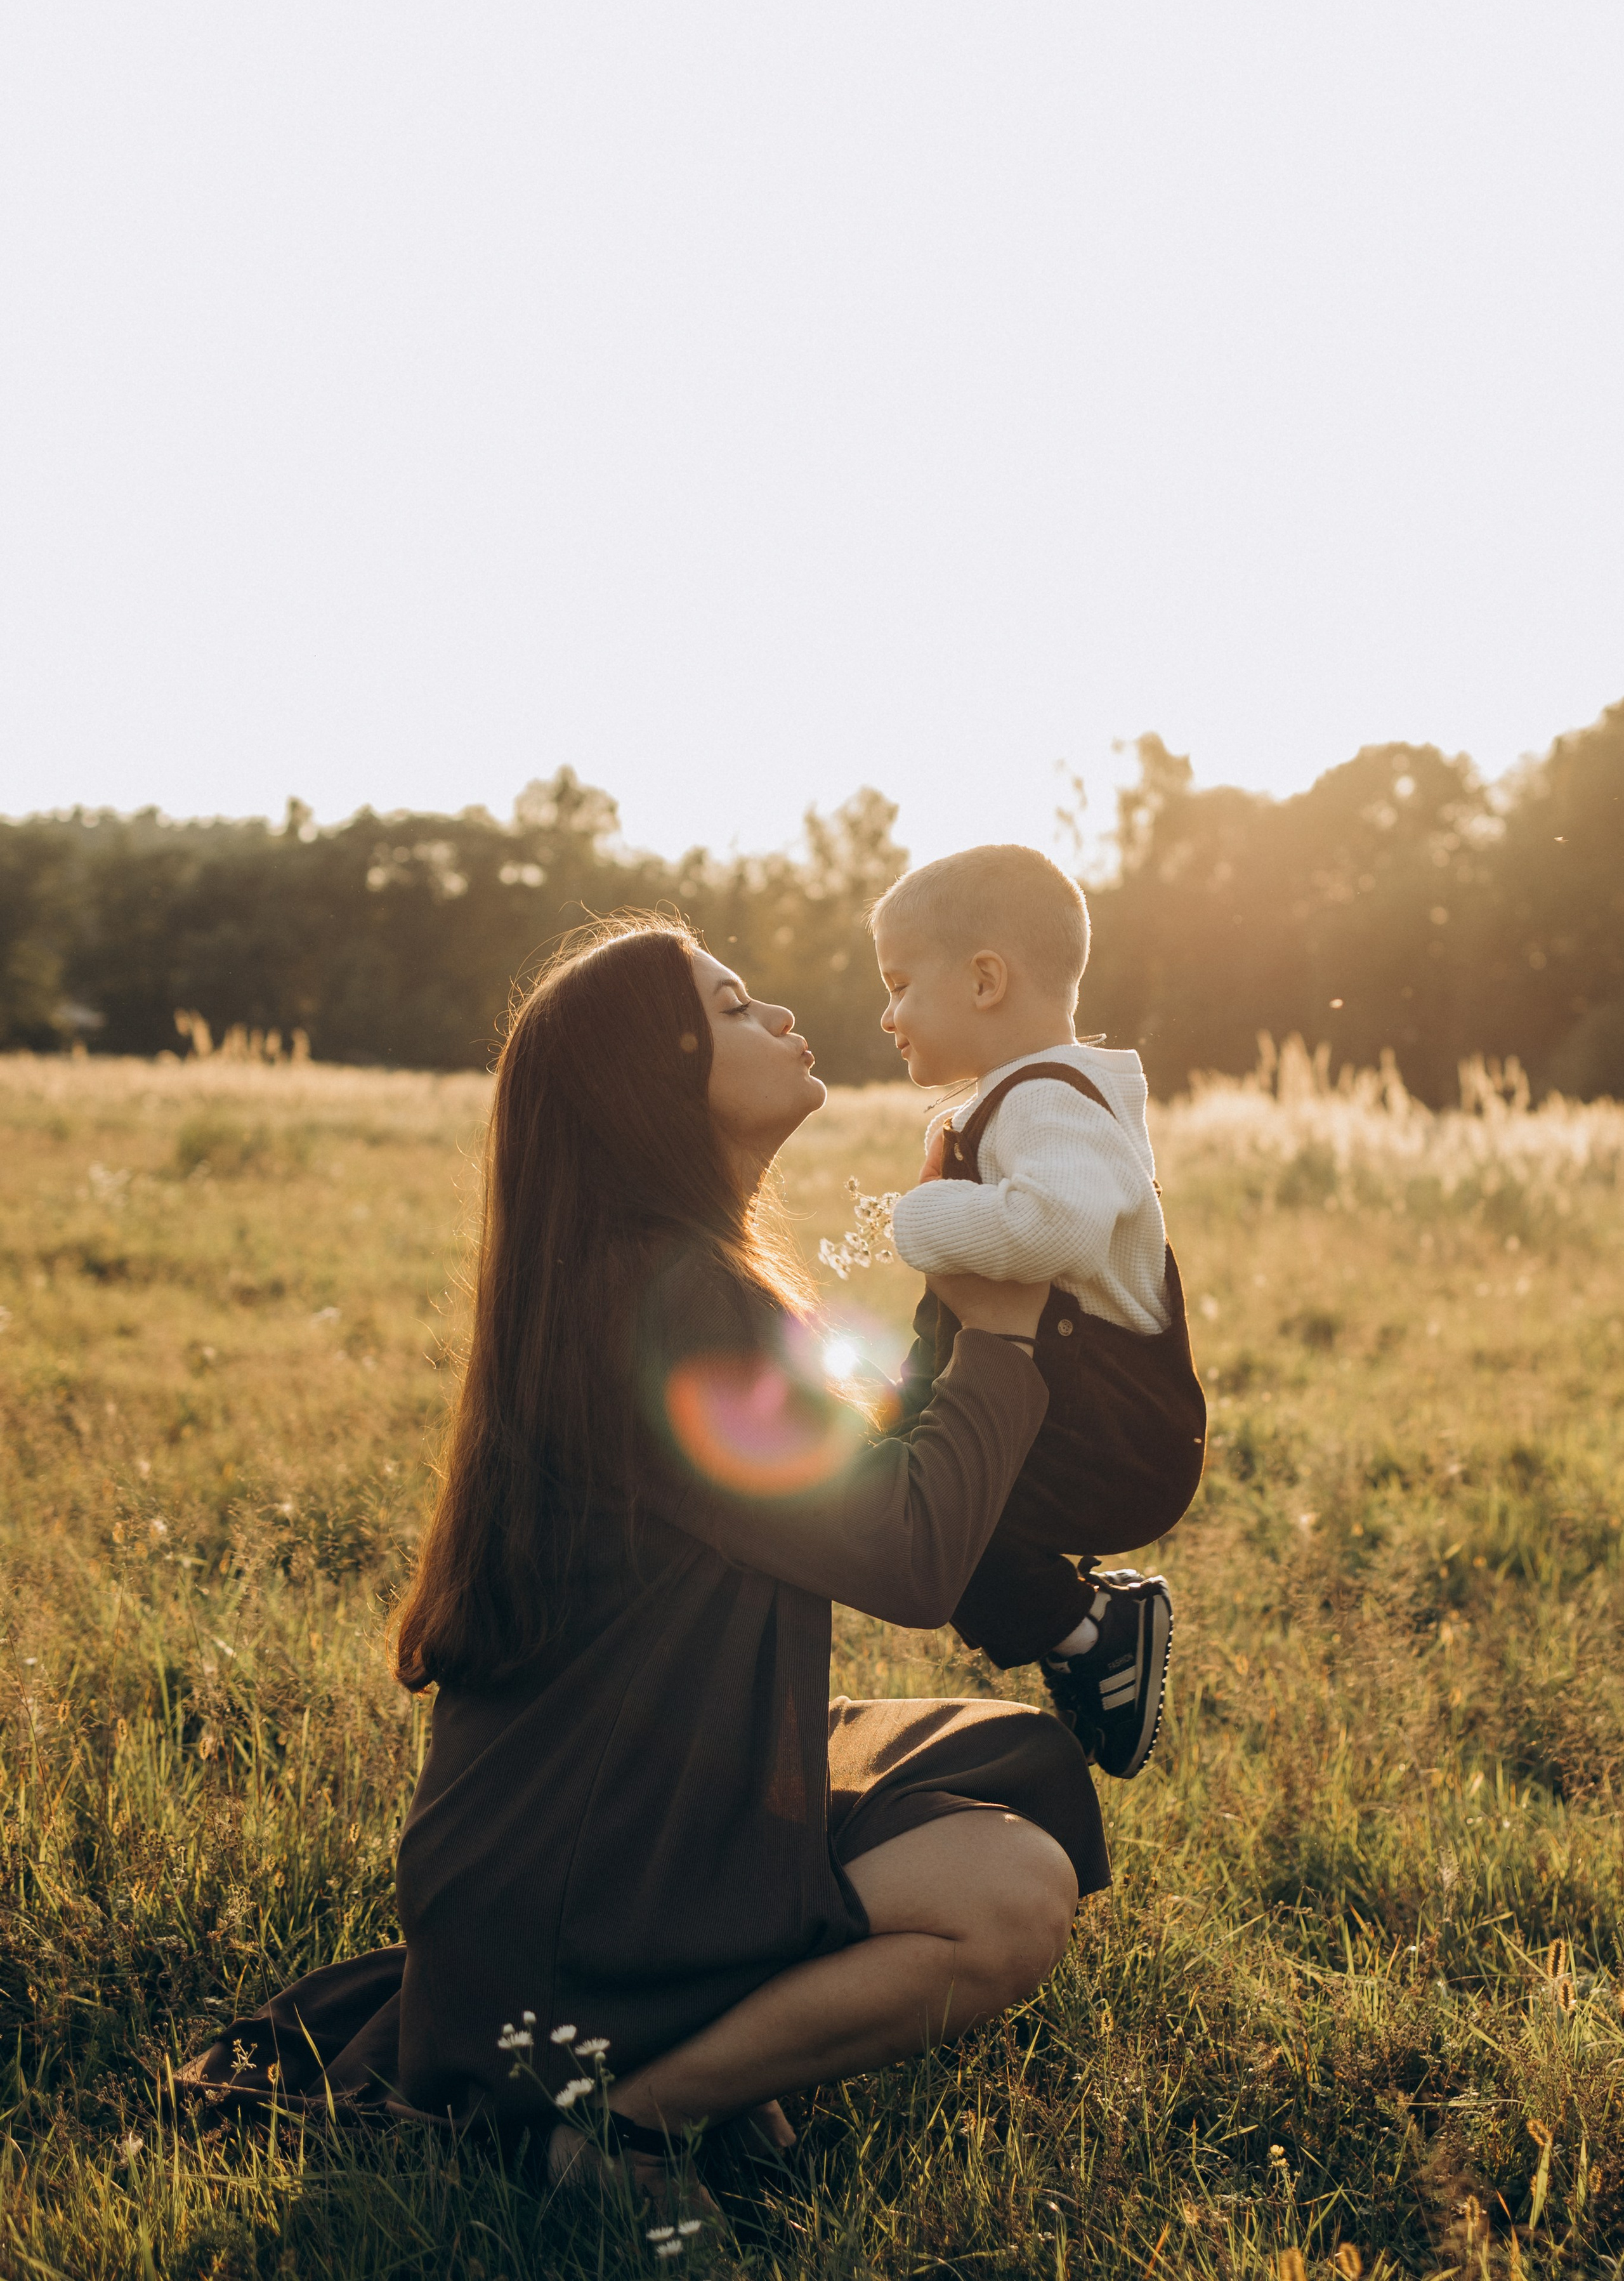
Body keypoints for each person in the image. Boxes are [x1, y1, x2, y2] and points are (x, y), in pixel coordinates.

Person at [180, 918, 1106, 2193]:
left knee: (990, 1756)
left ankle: (704, 2055)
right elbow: (903, 1552)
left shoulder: (656, 1279)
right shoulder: (670, 1302)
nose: (781, 1015)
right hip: (591, 1881)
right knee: (1011, 1888)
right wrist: (999, 1343)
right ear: (650, 1086)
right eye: (732, 1009)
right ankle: (625, 2124)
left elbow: (869, 1478)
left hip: (597, 1809)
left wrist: (960, 1313)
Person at [869, 846, 1207, 1778]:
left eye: (900, 985)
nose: (887, 1015)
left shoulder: (1051, 1103)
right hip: (1064, 1411)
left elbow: (1052, 1227)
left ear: (985, 980)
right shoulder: (1016, 1102)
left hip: (1106, 1430)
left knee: (937, 1523)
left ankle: (1095, 1629)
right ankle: (1086, 1631)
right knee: (915, 1509)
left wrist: (919, 1214)